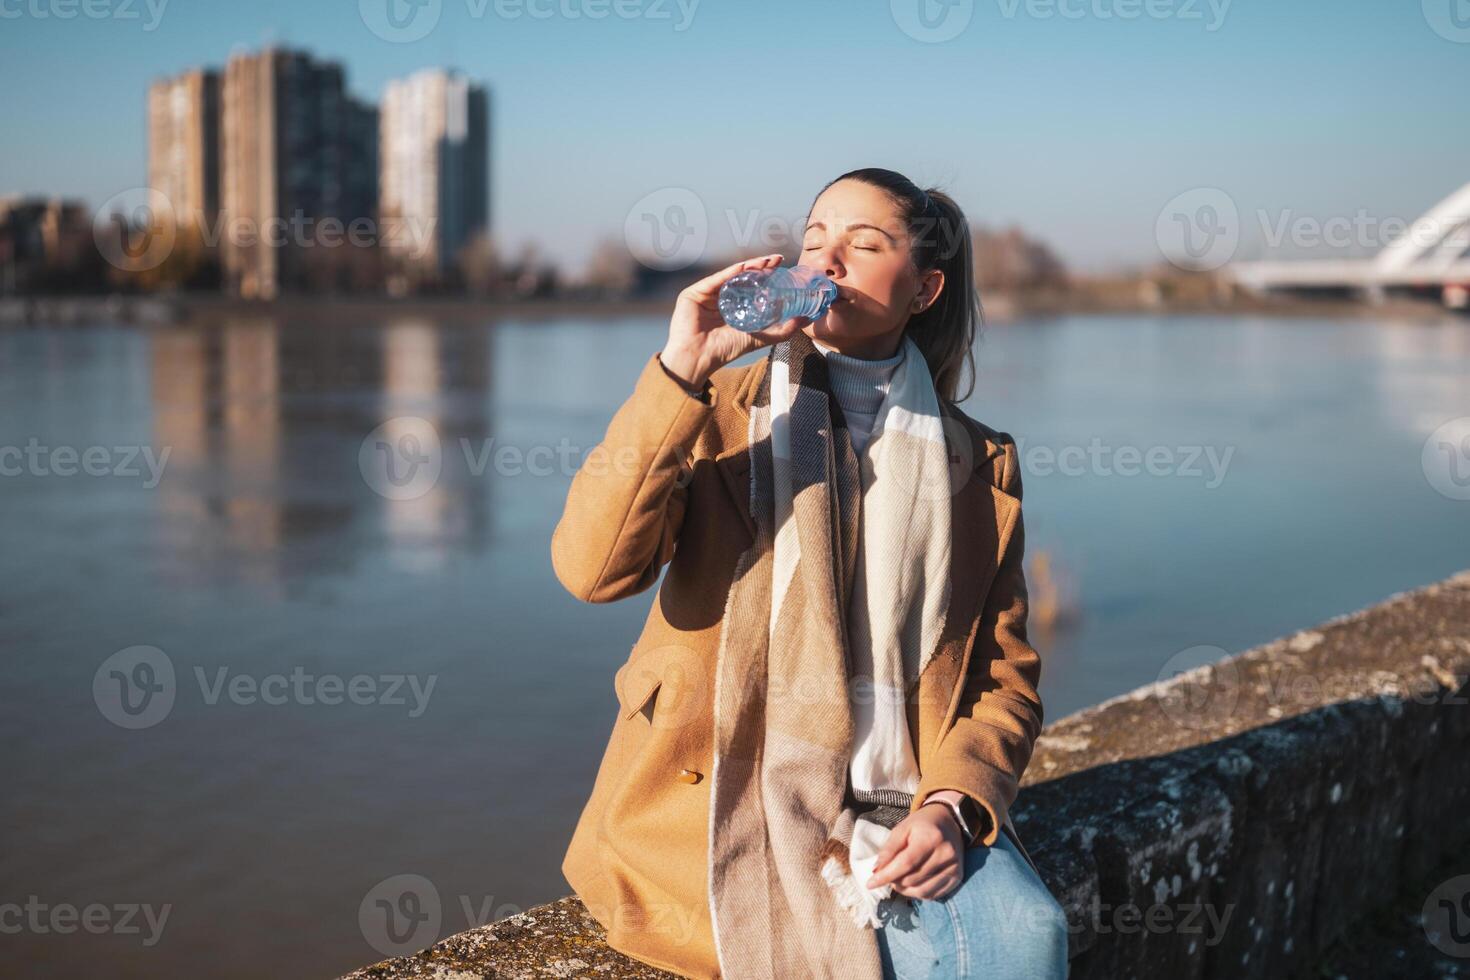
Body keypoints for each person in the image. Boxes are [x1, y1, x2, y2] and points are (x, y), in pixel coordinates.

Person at [551, 167, 1069, 979]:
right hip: (725, 790)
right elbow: (594, 571)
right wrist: (681, 367)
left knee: (1029, 936)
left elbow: (1003, 678)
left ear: (925, 289)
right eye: (815, 239)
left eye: (863, 245)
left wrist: (950, 807)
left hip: (898, 799)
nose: (827, 261)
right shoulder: (719, 412)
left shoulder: (979, 461)